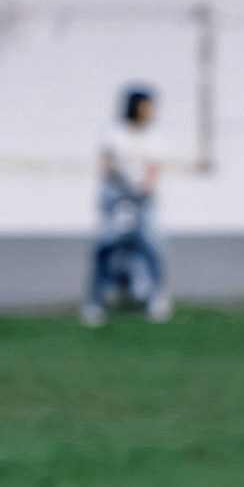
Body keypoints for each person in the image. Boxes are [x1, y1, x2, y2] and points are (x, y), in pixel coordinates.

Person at [85, 82, 170, 323]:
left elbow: (154, 168)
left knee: (152, 246)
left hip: (144, 200)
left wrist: (143, 188)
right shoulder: (115, 132)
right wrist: (123, 184)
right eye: (146, 106)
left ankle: (156, 298)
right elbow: (106, 162)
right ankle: (96, 301)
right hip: (115, 197)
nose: (151, 111)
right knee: (105, 246)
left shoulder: (154, 136)